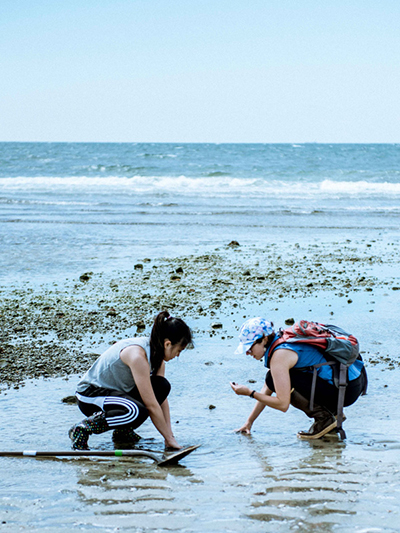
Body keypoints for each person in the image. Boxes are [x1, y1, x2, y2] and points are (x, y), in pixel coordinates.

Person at [69, 311, 193, 450]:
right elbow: (151, 405)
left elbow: (160, 400)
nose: (177, 355)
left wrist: (169, 437)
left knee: (162, 386)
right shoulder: (138, 356)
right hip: (90, 395)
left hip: (117, 396)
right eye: (179, 350)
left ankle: (122, 433)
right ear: (167, 344)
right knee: (134, 410)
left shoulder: (158, 360)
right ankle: (83, 428)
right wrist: (169, 439)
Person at [230, 317, 366, 439]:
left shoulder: (279, 356)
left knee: (275, 378)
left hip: (346, 390)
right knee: (273, 378)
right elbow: (268, 387)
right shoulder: (283, 340)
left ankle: (324, 419)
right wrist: (249, 423)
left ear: (264, 339)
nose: (248, 353)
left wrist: (250, 393)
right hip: (353, 382)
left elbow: (282, 404)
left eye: (250, 347)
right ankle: (334, 414)